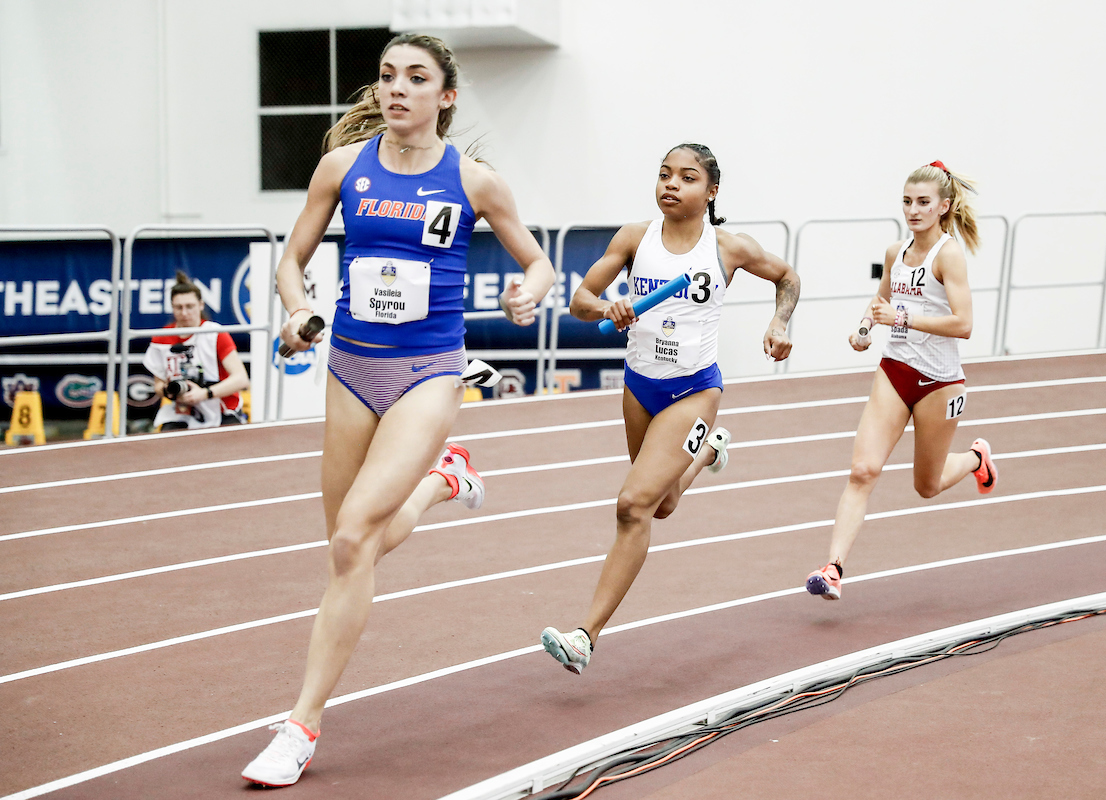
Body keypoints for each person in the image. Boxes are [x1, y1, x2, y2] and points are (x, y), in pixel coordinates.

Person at [241, 33, 554, 787]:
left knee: (352, 539)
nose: (396, 88)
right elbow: (291, 259)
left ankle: (300, 727)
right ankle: (444, 481)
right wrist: (295, 306)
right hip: (348, 367)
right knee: (351, 550)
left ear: (446, 96)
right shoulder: (342, 168)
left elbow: (537, 260)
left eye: (416, 78)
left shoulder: (475, 181)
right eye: (387, 76)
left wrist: (529, 291)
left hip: (426, 372)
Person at [539, 143, 800, 674]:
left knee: (633, 504)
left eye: (686, 177)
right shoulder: (634, 239)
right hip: (640, 388)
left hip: (693, 392)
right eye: (663, 175)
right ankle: (707, 455)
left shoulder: (729, 248)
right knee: (663, 505)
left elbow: (788, 278)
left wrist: (780, 323)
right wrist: (606, 305)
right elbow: (580, 301)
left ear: (711, 192)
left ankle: (585, 636)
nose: (671, 184)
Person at [805, 161, 998, 602]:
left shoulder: (948, 255)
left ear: (943, 207)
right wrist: (864, 328)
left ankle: (975, 458)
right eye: (907, 202)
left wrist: (903, 317)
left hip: (940, 383)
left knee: (926, 486)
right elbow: (882, 299)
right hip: (894, 370)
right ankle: (832, 569)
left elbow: (964, 324)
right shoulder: (896, 253)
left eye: (923, 203)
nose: (913, 210)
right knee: (862, 471)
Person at [144, 271, 249, 430]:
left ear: (201, 305)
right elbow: (158, 384)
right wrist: (168, 391)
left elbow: (241, 379)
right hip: (182, 411)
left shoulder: (214, 333)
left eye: (190, 306)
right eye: (178, 307)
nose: (184, 313)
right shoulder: (161, 338)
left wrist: (205, 393)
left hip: (221, 408)